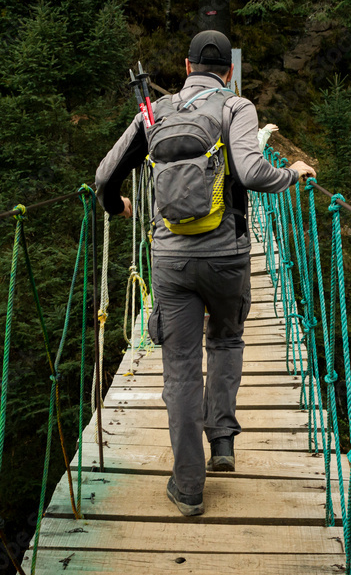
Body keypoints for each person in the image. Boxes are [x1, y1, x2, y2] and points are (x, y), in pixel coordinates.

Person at [95, 30, 316, 516]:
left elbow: (104, 176)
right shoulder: (237, 109)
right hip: (227, 256)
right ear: (228, 72)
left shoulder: (154, 114)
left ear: (186, 64)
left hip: (171, 262)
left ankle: (189, 489)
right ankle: (222, 443)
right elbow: (254, 172)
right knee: (226, 340)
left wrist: (118, 206)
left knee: (178, 372)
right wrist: (293, 175)